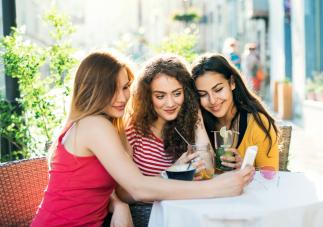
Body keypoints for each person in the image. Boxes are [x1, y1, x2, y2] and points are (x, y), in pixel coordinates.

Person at [30, 52, 254, 226]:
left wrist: (117, 204)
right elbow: (136, 188)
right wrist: (220, 187)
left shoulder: (104, 125)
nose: (122, 97)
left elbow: (99, 183)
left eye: (126, 87)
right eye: (112, 89)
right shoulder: (94, 126)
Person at [125, 54, 213, 177]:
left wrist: (196, 115)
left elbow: (208, 170)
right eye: (160, 96)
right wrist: (172, 172)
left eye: (177, 94)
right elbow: (125, 192)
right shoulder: (133, 130)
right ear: (147, 97)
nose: (170, 103)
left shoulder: (187, 124)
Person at [191, 53, 279, 171]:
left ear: (232, 82)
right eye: (202, 94)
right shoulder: (198, 124)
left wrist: (245, 168)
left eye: (218, 89)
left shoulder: (258, 124)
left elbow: (270, 177)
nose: (212, 100)